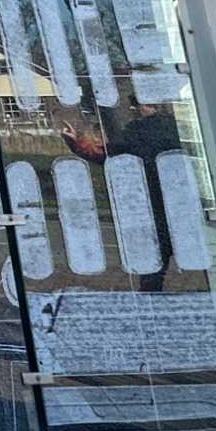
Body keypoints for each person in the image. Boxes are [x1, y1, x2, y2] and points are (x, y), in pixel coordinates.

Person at [62, 104, 182, 292]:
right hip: (179, 199)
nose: (135, 108)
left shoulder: (138, 131)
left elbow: (107, 155)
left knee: (154, 263)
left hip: (151, 202)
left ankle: (151, 299)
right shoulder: (181, 128)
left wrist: (76, 143)